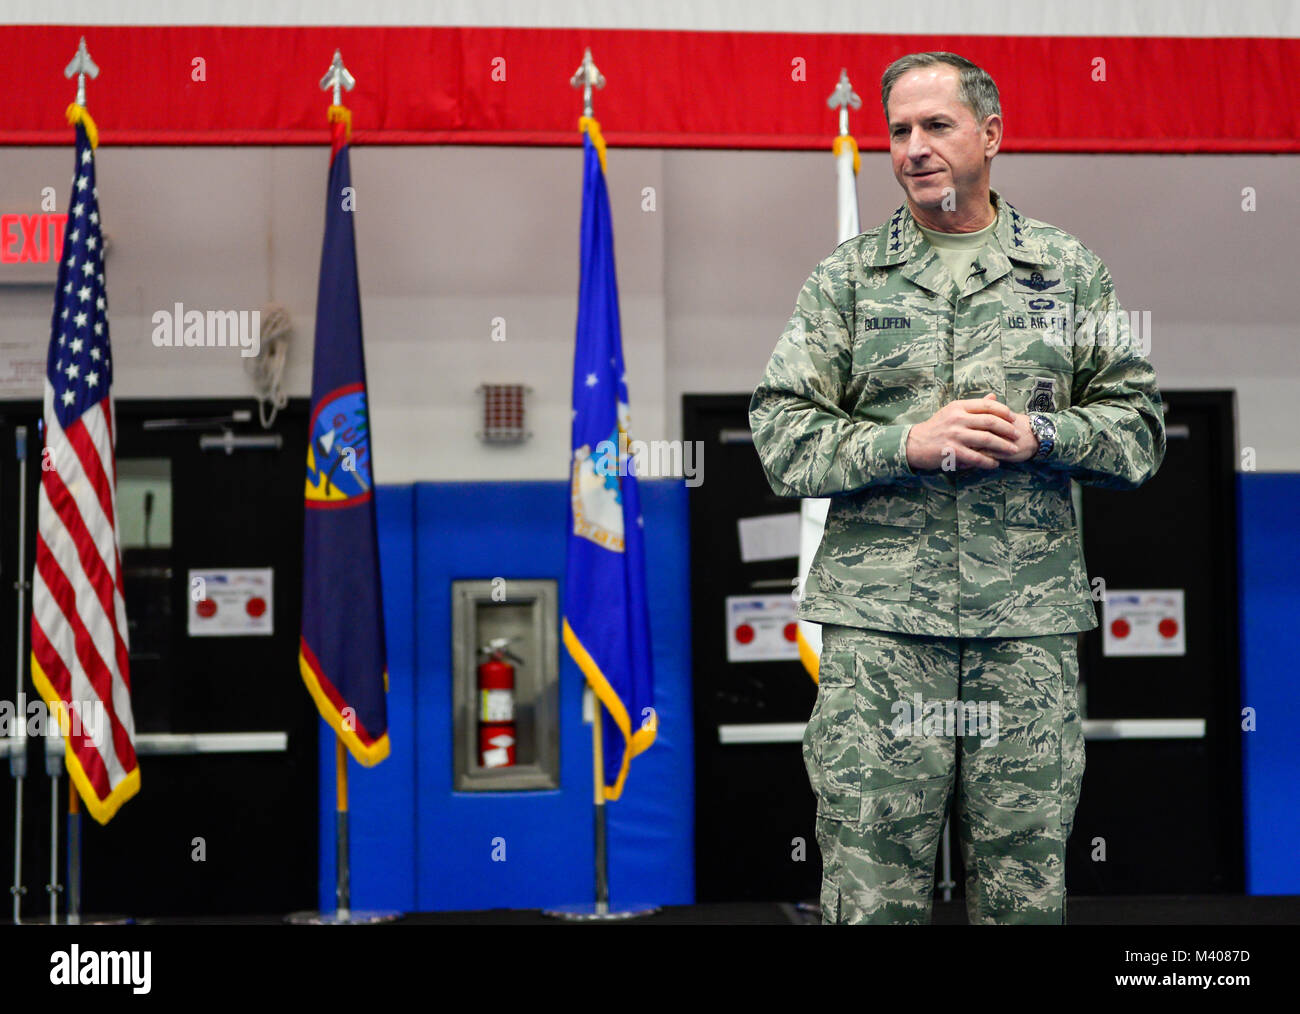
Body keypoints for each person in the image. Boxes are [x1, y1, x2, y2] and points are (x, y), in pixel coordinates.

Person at [748, 51, 1165, 924]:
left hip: (1026, 637)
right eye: (897, 130)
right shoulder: (848, 281)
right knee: (871, 895)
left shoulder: (1067, 271)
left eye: (935, 125)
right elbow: (781, 437)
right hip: (882, 639)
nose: (912, 148)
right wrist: (908, 443)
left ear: (992, 135)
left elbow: (1140, 431)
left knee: (1023, 898)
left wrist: (1046, 435)